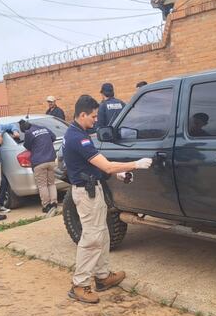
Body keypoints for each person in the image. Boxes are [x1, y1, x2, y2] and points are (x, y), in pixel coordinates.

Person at [62, 94, 152, 304]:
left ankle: (102, 277)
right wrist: (134, 164)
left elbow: (93, 165)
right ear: (82, 114)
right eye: (93, 116)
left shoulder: (77, 133)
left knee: (101, 235)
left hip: (92, 189)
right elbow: (107, 165)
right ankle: (80, 285)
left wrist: (117, 174)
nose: (96, 120)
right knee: (92, 238)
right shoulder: (78, 138)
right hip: (86, 194)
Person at [20, 118, 57, 214]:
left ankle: (47, 206)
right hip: (51, 160)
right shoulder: (44, 128)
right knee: (51, 183)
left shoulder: (28, 133)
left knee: (42, 185)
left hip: (39, 162)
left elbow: (27, 146)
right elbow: (54, 137)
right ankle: (54, 203)